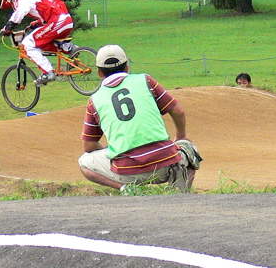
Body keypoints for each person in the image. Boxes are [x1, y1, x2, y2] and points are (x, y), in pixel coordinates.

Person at [78, 45, 202, 193]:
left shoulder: (94, 100)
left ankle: (125, 188)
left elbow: (89, 146)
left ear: (99, 72)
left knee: (84, 162)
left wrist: (111, 150)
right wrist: (181, 137)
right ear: (127, 67)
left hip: (126, 172)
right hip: (165, 165)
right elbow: (178, 111)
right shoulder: (146, 80)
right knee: (189, 148)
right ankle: (179, 195)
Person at [0, 0, 76, 87]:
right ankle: (66, 46)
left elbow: (18, 15)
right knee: (41, 42)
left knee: (28, 43)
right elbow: (50, 12)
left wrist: (7, 28)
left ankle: (48, 72)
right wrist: (35, 23)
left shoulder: (24, 0)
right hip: (66, 20)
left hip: (58, 21)